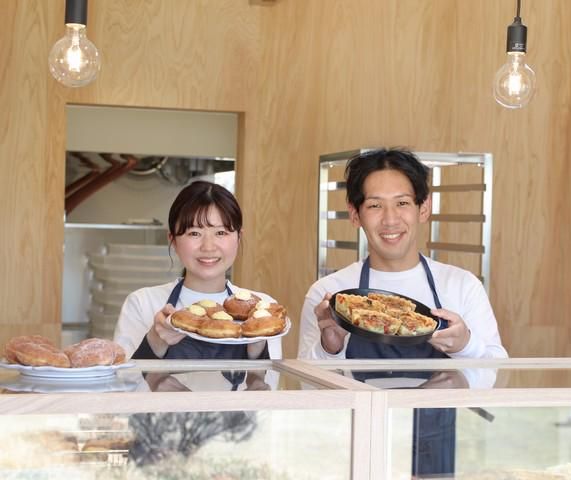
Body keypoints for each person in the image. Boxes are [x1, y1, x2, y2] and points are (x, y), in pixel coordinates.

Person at [297, 147, 507, 477]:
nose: (390, 219)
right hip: (355, 446)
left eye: (402, 203)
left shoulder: (461, 285)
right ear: (354, 214)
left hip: (436, 448)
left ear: (424, 208)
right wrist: (330, 347)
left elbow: (497, 375)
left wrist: (465, 345)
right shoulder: (331, 293)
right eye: (375, 205)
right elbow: (308, 392)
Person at [114, 181, 282, 362]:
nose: (208, 247)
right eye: (194, 233)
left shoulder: (262, 311)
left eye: (221, 233)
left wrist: (256, 350)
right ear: (173, 240)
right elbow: (122, 379)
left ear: (238, 238)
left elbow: (270, 380)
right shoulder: (142, 303)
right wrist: (155, 341)